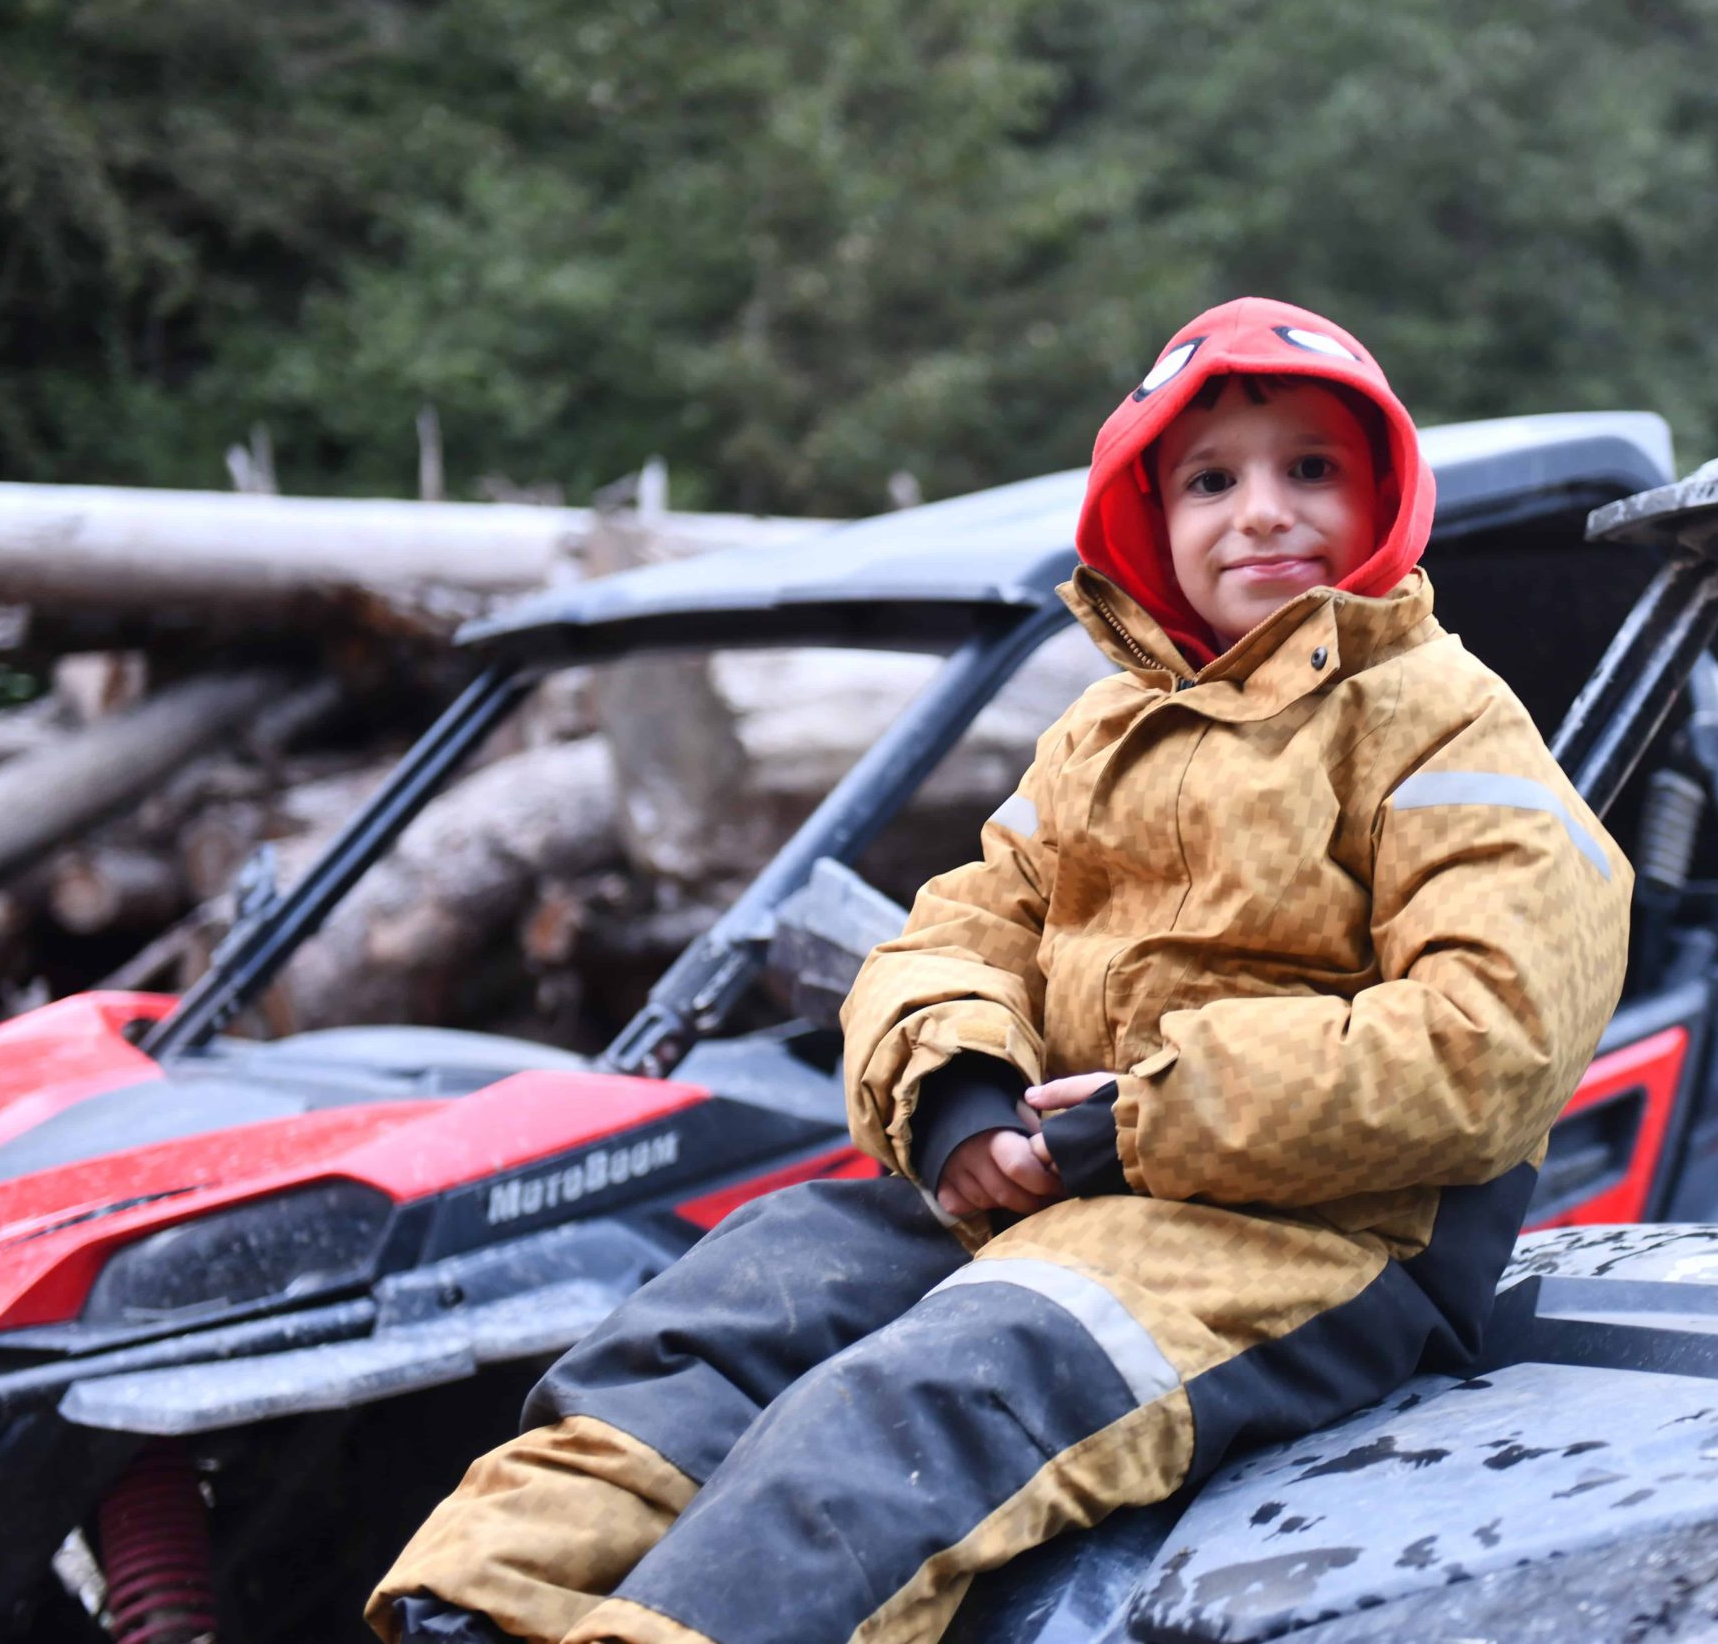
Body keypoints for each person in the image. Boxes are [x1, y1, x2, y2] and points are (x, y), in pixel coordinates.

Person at [367, 297, 1632, 1644]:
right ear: (1150, 518)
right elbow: (961, 928)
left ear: (1385, 493)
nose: (1261, 512)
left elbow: (1488, 1039)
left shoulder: (1442, 721)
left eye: (1310, 468)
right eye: (1211, 481)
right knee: (741, 1296)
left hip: (1323, 1239)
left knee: (927, 1396)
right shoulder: (1107, 730)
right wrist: (959, 1091)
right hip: (1067, 1183)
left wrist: (1144, 1119)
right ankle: (480, 1605)